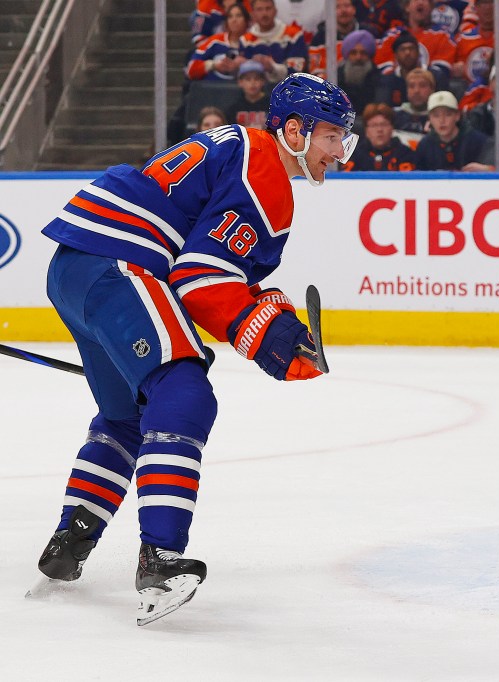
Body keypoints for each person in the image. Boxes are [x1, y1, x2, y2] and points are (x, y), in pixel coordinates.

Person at [31, 73, 358, 625]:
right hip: (119, 264)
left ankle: (71, 542)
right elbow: (201, 280)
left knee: (128, 415)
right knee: (183, 392)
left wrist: (270, 322)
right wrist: (273, 340)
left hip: (74, 267)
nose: (339, 154)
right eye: (331, 137)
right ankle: (160, 559)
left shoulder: (239, 145)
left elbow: (210, 266)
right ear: (295, 131)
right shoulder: (267, 171)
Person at [414, 90, 493, 170]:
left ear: (457, 116)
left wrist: (486, 169)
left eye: (448, 114)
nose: (442, 120)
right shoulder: (425, 145)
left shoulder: (478, 141)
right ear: (429, 118)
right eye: (436, 115)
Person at [186, 2, 257, 81]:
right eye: (230, 16)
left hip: (244, 91)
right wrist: (213, 65)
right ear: (226, 22)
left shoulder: (255, 42)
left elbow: (268, 72)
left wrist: (246, 63)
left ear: (247, 21)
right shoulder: (215, 41)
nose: (234, 20)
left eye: (239, 16)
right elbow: (190, 70)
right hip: (214, 89)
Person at [249, 0, 310, 82]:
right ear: (253, 14)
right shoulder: (246, 40)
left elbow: (297, 72)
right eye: (259, 9)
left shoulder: (294, 36)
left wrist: (272, 68)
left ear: (275, 11)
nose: (264, 13)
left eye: (268, 8)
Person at [344, 103, 417, 170]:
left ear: (392, 128)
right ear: (366, 131)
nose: (379, 130)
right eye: (374, 125)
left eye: (384, 124)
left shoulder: (405, 153)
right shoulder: (354, 155)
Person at [224, 59, 272, 127]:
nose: (252, 83)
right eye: (248, 79)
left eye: (256, 79)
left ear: (263, 81)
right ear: (240, 82)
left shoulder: (272, 105)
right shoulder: (233, 109)